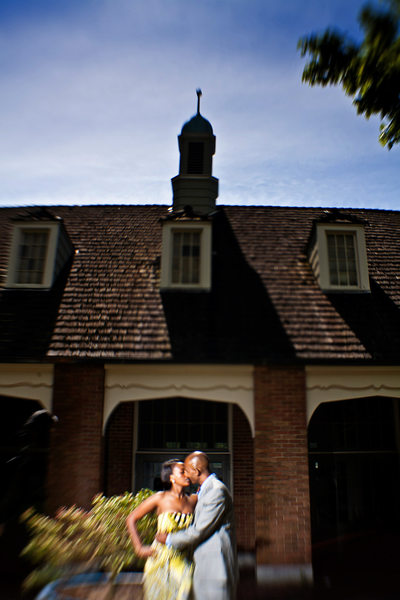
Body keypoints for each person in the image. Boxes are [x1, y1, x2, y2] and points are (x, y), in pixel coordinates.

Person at [157, 451, 238, 600]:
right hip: (203, 566)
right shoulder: (204, 491)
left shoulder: (216, 491)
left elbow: (199, 530)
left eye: (186, 471)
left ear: (196, 470)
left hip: (216, 568)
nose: (186, 475)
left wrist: (169, 539)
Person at [126, 459, 197, 600]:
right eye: (182, 472)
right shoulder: (160, 498)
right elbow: (131, 519)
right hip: (158, 558)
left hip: (183, 559)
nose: (186, 475)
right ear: (171, 478)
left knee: (185, 591)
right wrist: (139, 548)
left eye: (187, 472)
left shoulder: (193, 500)